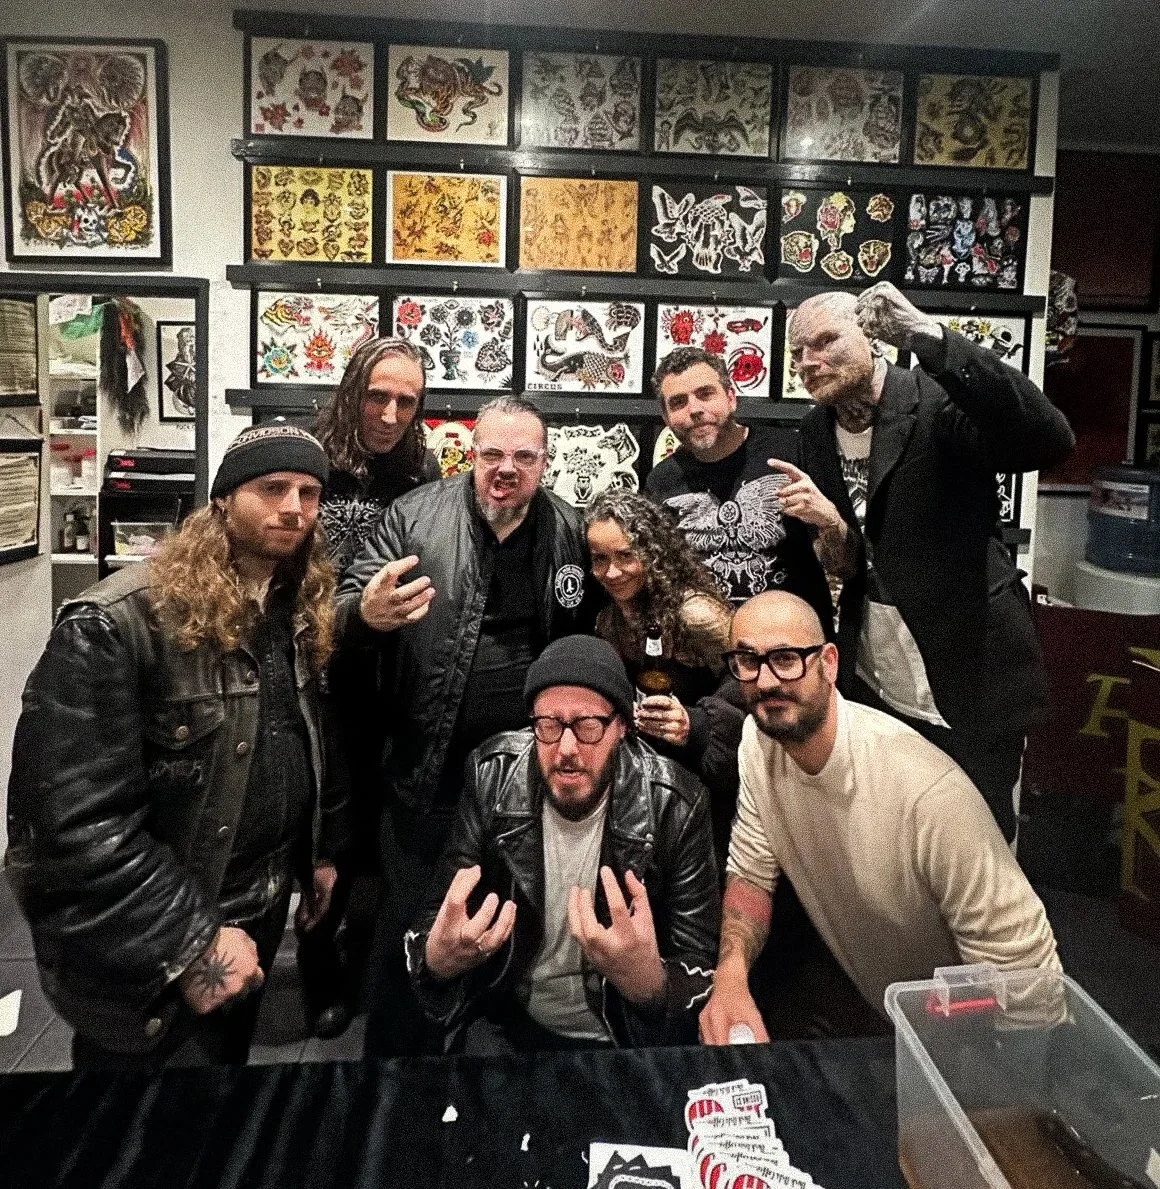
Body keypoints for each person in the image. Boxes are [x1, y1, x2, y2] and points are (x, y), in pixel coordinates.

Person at [7, 425, 348, 1068]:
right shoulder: (116, 624)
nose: (294, 507)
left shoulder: (293, 606)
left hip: (257, 907)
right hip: (160, 941)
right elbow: (67, 834)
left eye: (309, 492)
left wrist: (319, 852)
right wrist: (192, 943)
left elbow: (300, 744)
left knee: (217, 1114)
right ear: (221, 500)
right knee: (139, 1138)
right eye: (272, 487)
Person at [335, 395, 596, 1055]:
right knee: (417, 931)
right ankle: (397, 1073)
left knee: (509, 928)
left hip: (523, 784)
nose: (506, 469)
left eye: (524, 457)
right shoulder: (414, 517)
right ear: (469, 454)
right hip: (428, 775)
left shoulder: (568, 530)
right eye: (492, 454)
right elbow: (341, 613)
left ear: (545, 461)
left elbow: (578, 638)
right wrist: (365, 613)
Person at [698, 592, 1061, 1046]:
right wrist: (730, 975)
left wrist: (1008, 1094)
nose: (766, 680)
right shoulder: (759, 740)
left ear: (829, 663)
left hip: (971, 1042)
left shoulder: (928, 797)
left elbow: (1029, 980)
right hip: (884, 1020)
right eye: (748, 661)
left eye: (787, 659)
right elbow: (751, 872)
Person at [787, 282, 1075, 840]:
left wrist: (930, 335)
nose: (808, 361)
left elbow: (1049, 439)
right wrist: (830, 528)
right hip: (877, 674)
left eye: (825, 341)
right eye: (798, 351)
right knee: (897, 839)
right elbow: (856, 566)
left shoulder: (936, 400)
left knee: (979, 847)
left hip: (969, 667)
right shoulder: (815, 432)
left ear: (872, 337)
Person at [404, 635, 721, 1051]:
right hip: (510, 1022)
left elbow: (698, 965)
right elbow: (434, 924)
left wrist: (649, 985)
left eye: (588, 726)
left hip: (625, 1035)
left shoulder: (675, 804)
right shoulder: (492, 777)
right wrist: (438, 963)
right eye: (548, 726)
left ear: (622, 727)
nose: (566, 749)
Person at [300, 337, 440, 1039]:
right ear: (351, 388)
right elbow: (273, 587)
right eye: (376, 395)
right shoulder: (306, 459)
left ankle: (365, 963)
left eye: (406, 401)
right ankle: (319, 968)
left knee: (377, 833)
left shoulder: (422, 469)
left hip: (385, 679)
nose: (389, 413)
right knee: (318, 834)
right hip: (310, 677)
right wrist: (351, 614)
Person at [583, 489, 742, 863]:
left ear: (653, 553)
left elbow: (751, 680)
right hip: (649, 789)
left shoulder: (695, 613)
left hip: (712, 791)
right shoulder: (609, 621)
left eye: (626, 555)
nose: (613, 572)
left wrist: (697, 723)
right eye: (600, 559)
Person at [645, 346, 834, 636]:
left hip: (794, 644)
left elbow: (845, 560)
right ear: (666, 416)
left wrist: (828, 518)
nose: (695, 409)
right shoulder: (662, 482)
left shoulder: (789, 451)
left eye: (706, 393)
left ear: (731, 398)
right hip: (712, 651)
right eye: (678, 402)